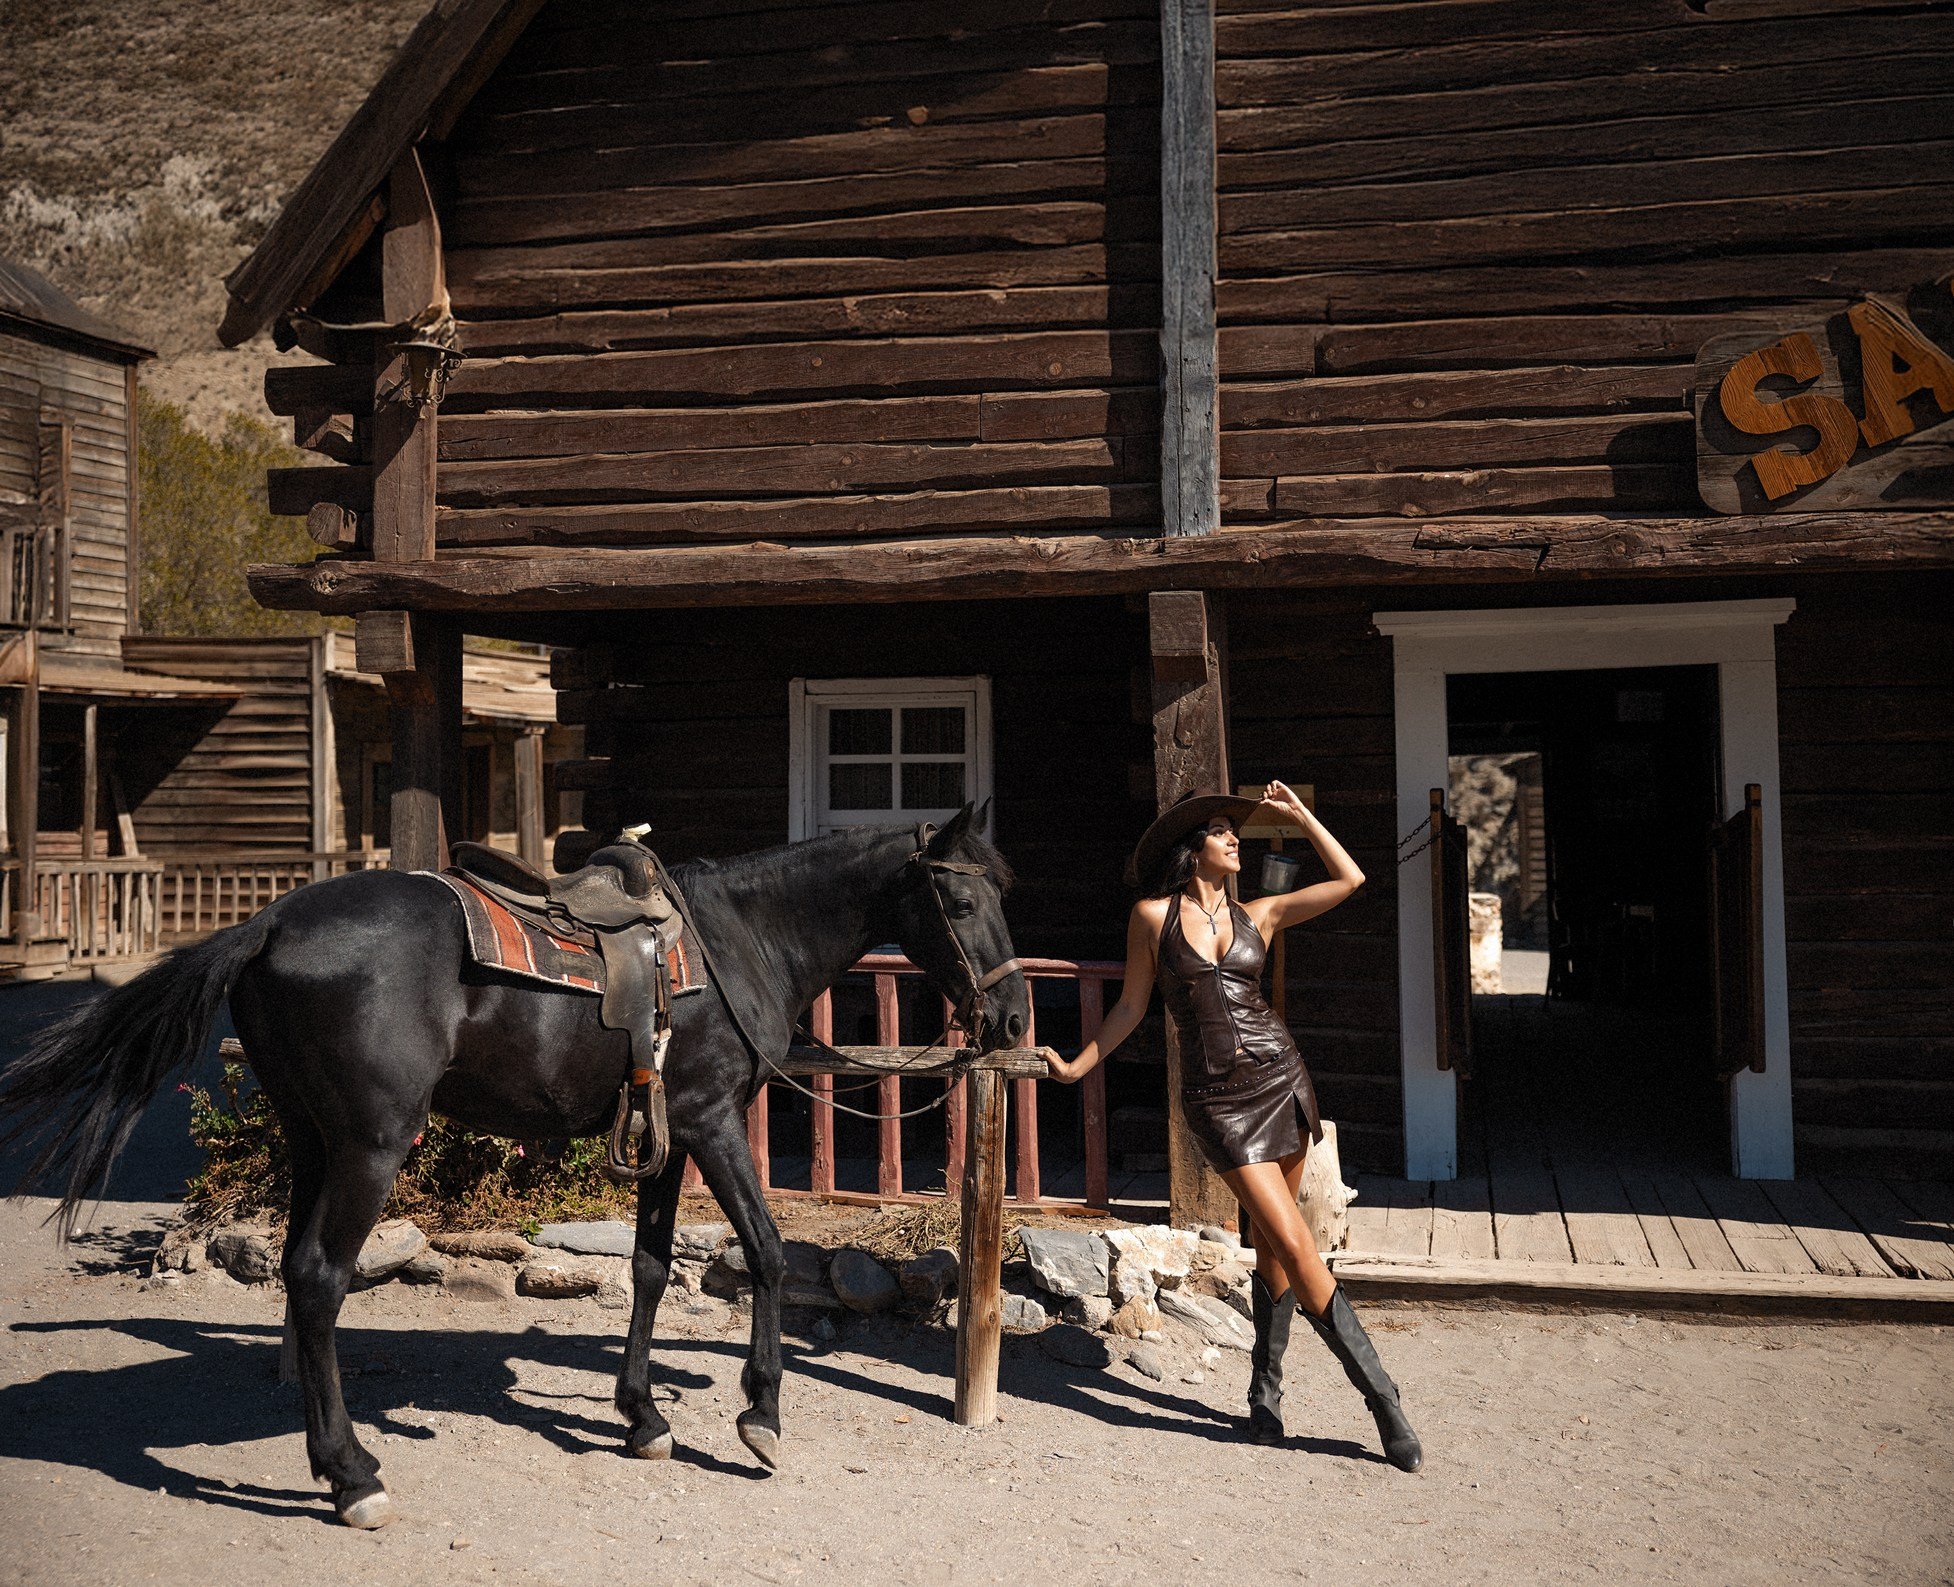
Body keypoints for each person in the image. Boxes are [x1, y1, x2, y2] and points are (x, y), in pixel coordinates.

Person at [1046, 781, 1421, 1471]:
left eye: (1234, 830)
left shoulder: (1262, 913)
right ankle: (1382, 1396)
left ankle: (1265, 1391)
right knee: (1290, 1238)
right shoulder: (1152, 917)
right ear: (1193, 851)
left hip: (1283, 1082)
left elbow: (1352, 877)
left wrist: (1302, 815)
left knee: (1277, 1248)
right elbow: (1131, 1006)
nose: (1234, 839)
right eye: (1222, 831)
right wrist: (1078, 1066)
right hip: (1220, 1104)